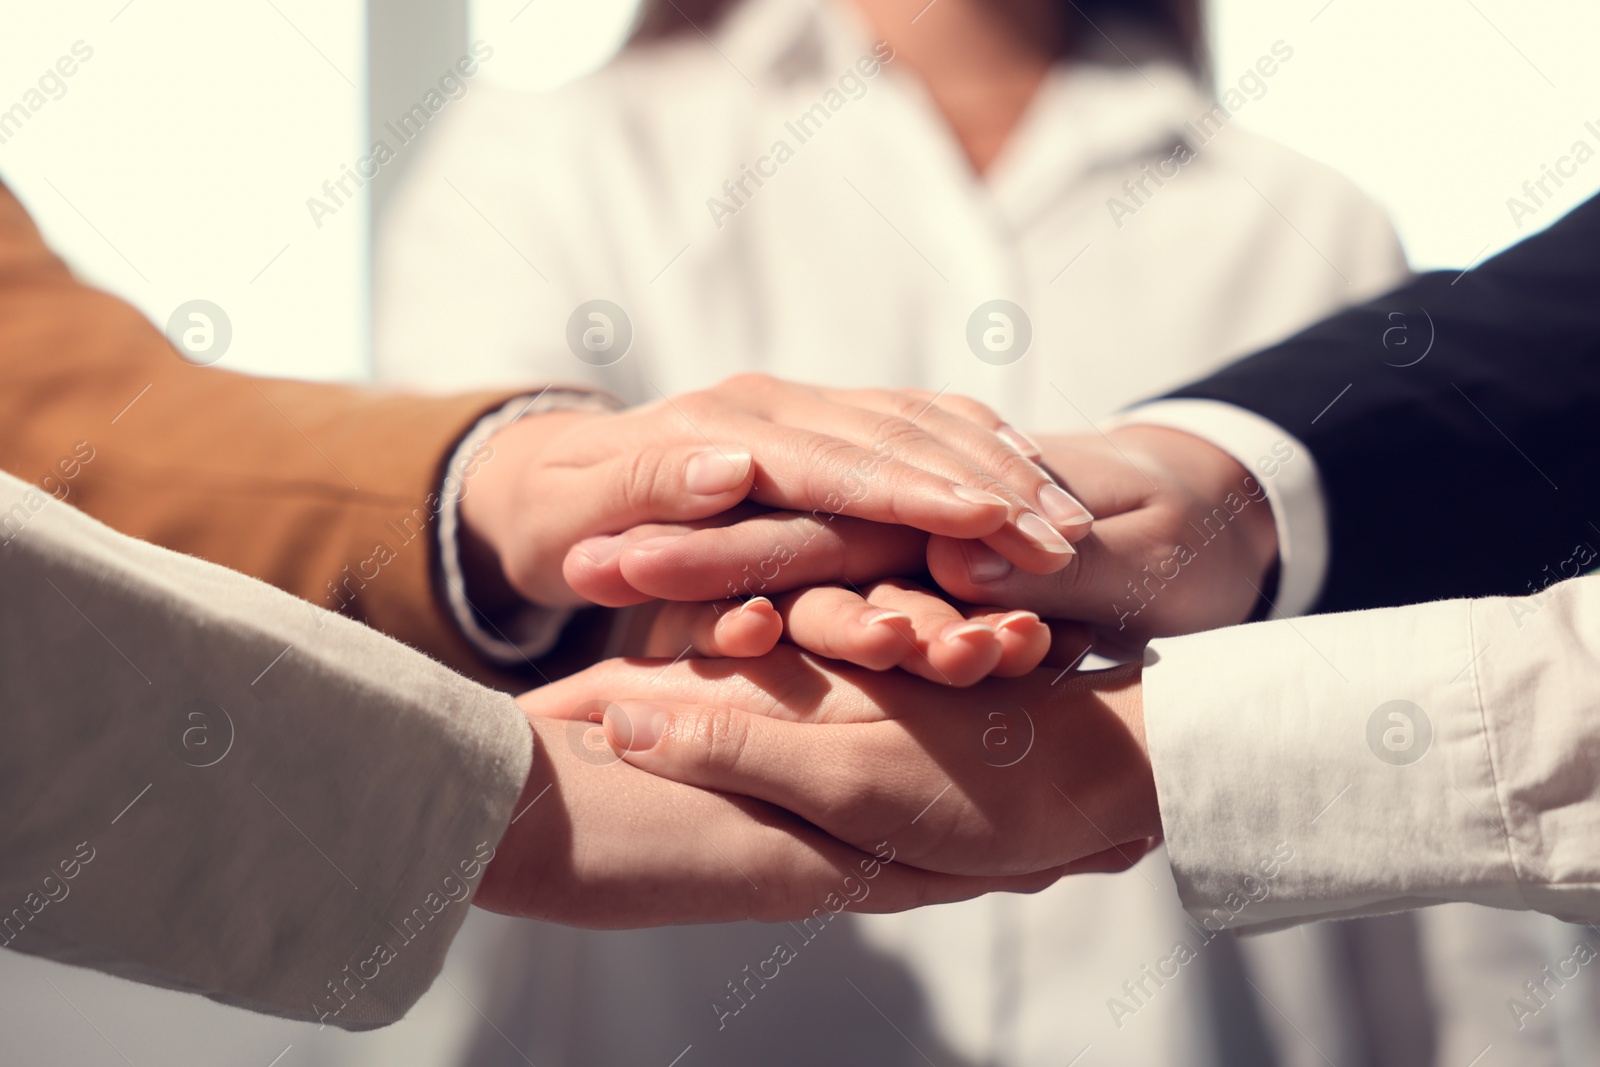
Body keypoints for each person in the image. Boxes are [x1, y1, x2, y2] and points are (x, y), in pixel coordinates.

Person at [374, 0, 1408, 1060]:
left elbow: (1409, 808)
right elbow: (452, 588)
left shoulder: (1317, 228)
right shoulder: (553, 155)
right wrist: (690, 595)